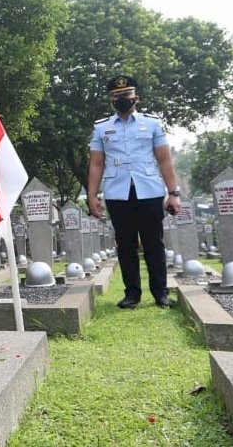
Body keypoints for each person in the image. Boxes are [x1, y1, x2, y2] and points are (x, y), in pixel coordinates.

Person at [87, 75, 182, 309]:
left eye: (126, 96)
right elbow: (96, 163)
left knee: (154, 243)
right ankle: (132, 293)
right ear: (111, 100)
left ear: (135, 98)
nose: (122, 100)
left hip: (149, 190)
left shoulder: (152, 124)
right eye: (117, 96)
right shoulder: (102, 128)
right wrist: (92, 196)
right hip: (117, 192)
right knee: (125, 244)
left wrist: (174, 193)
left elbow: (164, 160)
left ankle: (160, 292)